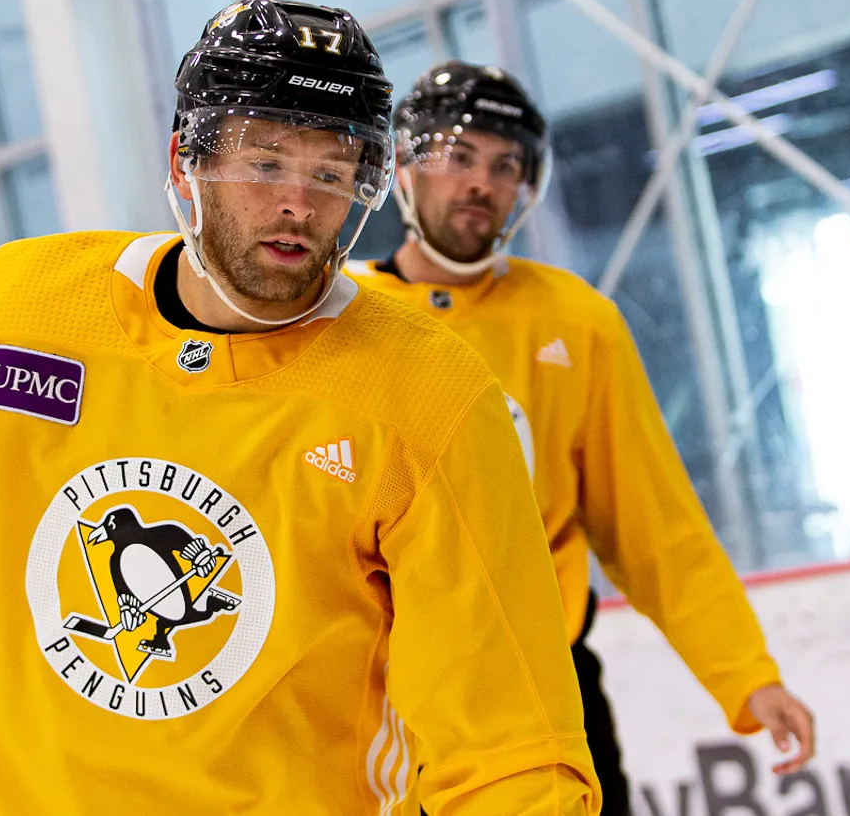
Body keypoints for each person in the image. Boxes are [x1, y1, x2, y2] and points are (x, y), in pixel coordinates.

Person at [0, 2, 600, 815]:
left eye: (330, 173)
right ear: (187, 161)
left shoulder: (430, 396)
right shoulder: (13, 314)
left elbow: (508, 737)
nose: (297, 203)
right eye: (263, 163)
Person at [348, 61, 817, 816]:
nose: (480, 184)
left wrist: (746, 675)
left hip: (544, 688)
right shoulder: (345, 320)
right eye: (458, 157)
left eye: (506, 166)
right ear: (403, 170)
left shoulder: (575, 321)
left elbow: (654, 524)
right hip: (376, 697)